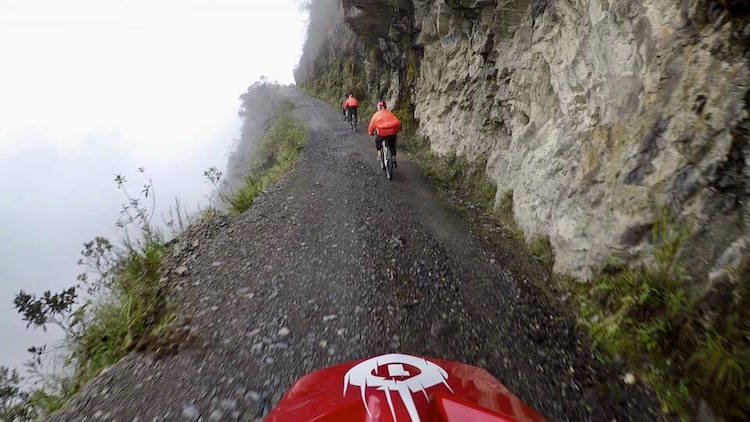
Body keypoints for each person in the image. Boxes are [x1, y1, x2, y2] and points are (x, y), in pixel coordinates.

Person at [367, 101, 401, 169]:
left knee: (377, 140)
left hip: (382, 134)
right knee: (392, 144)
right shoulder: (390, 113)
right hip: (392, 133)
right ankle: (393, 157)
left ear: (378, 107)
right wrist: (396, 130)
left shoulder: (376, 115)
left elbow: (371, 125)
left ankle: (379, 153)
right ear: (385, 107)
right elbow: (397, 122)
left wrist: (370, 133)